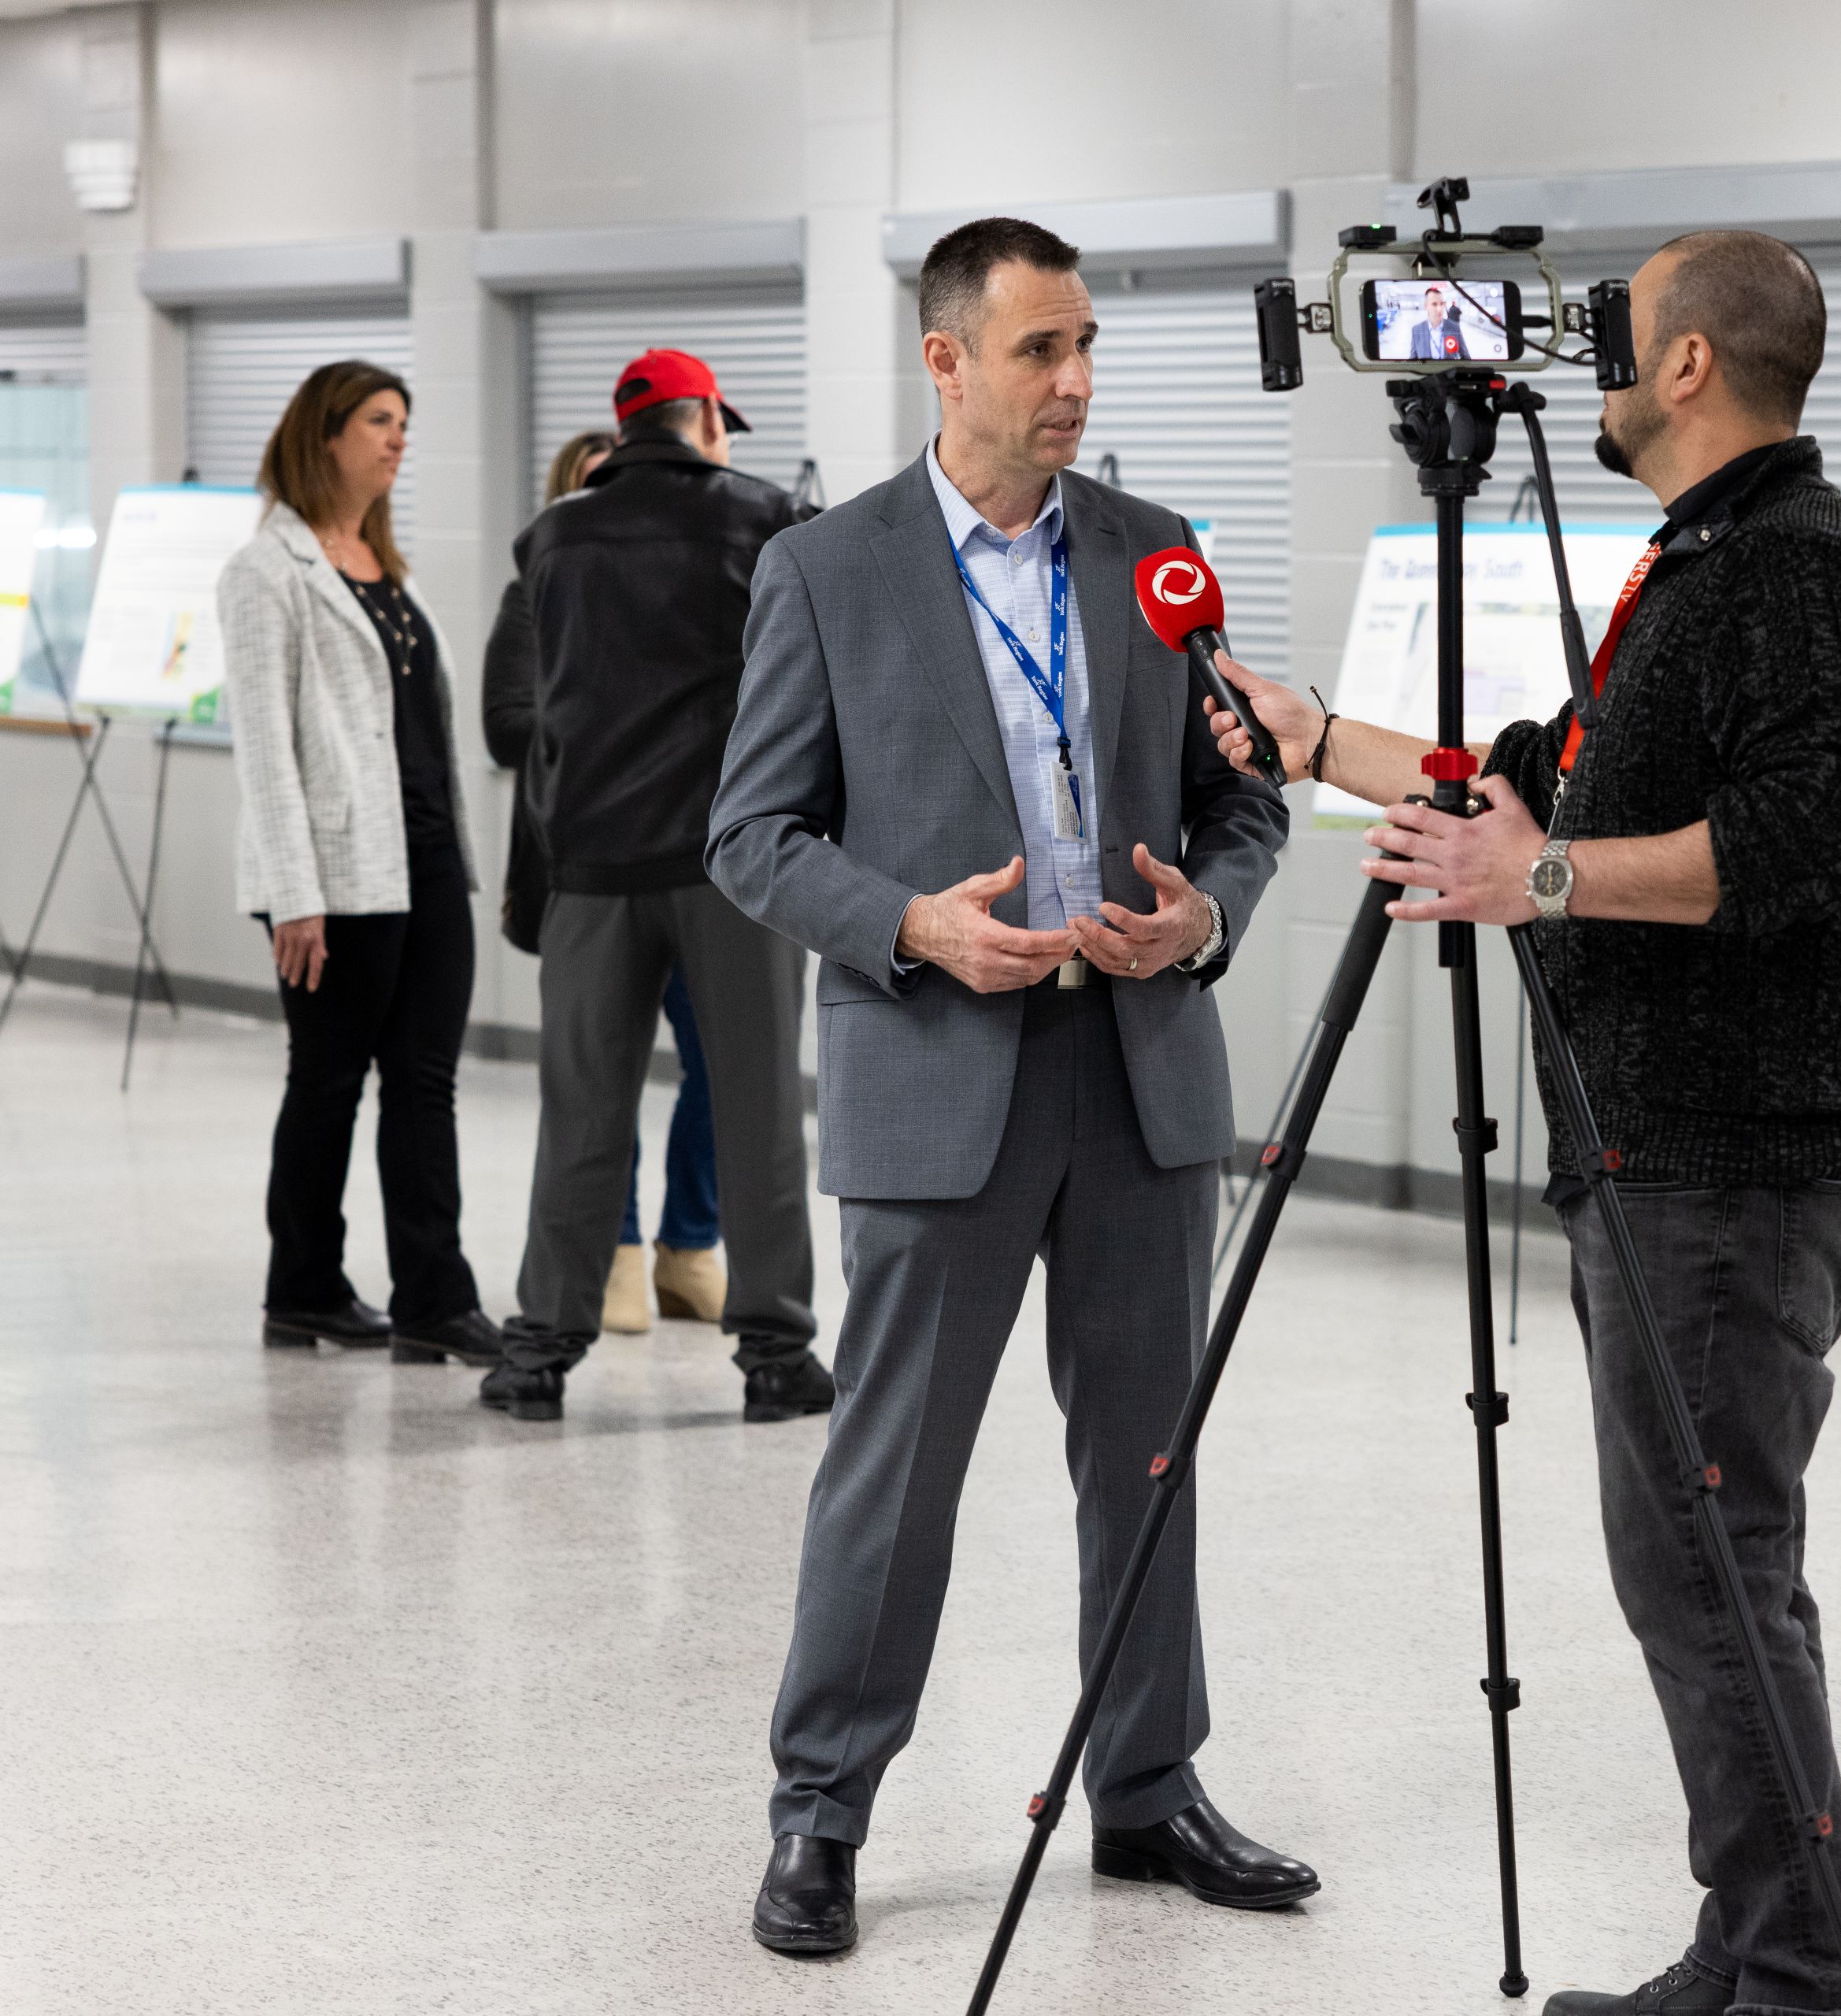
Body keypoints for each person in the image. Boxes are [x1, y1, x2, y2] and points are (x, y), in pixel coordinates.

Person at [1206, 230, 1841, 2016]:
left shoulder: (1800, 572)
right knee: (1689, 1565)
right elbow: (1526, 766)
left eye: (1622, 329)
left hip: (1728, 1154)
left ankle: (1807, 1979)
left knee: (1710, 1565)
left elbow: (1799, 843)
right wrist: (1308, 740)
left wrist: (1532, 872)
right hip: (1661, 1146)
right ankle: (1752, 1940)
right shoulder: (1700, 564)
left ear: (1687, 369)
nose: (1588, 360)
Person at [707, 216, 1298, 1959]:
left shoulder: (1155, 553)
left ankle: (1147, 1781)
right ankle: (821, 1809)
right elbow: (750, 833)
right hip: (935, 1069)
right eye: (1040, 350)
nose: (1076, 383)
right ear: (944, 361)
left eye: (1086, 345)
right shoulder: (824, 569)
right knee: (893, 1470)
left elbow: (1244, 803)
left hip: (1134, 1075)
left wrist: (1201, 916)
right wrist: (904, 923)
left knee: (1146, 1453)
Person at [480, 350, 827, 1425]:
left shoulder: (549, 540)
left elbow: (523, 716)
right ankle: (774, 1357)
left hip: (589, 870)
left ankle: (538, 1355)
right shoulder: (768, 522)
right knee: (761, 1105)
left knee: (580, 1112)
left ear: (622, 430)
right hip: (733, 867)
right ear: (704, 422)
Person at [222, 360, 505, 1372]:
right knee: (330, 1078)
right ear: (326, 432)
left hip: (425, 856)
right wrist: (294, 895)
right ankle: (302, 1287)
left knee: (425, 1082)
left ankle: (434, 1297)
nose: (398, 440)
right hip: (334, 875)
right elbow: (264, 747)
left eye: (404, 424)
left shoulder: (392, 568)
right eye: (380, 421)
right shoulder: (267, 572)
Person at [482, 428, 727, 1336]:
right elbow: (507, 726)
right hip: (586, 874)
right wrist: (609, 698)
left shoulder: (689, 591)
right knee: (598, 1084)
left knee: (718, 1075)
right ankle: (614, 1252)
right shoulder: (536, 593)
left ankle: (688, 1245)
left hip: (700, 872)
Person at [1406, 280, 1467, 360]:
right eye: (1434, 304)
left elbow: (1466, 358)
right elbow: (1412, 360)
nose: (1439, 309)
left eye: (1442, 304)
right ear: (1426, 306)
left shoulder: (1454, 328)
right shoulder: (1417, 330)